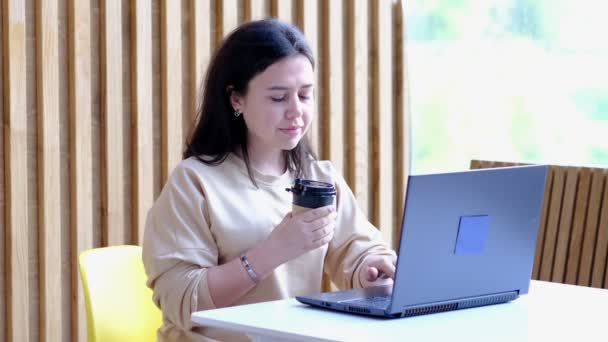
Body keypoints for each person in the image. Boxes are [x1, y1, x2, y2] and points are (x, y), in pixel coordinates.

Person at [142, 19, 397, 342]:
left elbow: (357, 251)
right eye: (278, 98)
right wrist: (275, 250)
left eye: (305, 96)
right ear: (237, 99)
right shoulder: (194, 182)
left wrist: (371, 270)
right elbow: (182, 300)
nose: (296, 112)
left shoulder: (320, 178)